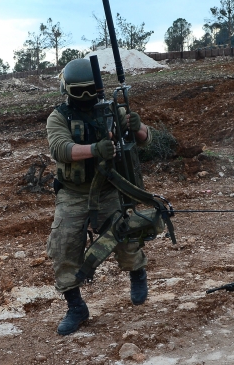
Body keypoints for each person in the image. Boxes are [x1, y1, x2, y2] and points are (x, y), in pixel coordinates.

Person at [46, 58, 152, 335]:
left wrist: (137, 126)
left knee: (125, 238)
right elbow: (61, 149)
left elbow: (144, 138)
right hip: (73, 193)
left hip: (108, 188)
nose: (83, 97)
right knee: (63, 247)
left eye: (87, 91)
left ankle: (137, 273)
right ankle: (76, 307)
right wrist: (95, 149)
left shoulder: (110, 111)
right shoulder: (58, 117)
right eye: (77, 91)